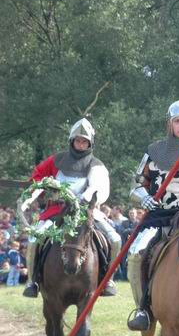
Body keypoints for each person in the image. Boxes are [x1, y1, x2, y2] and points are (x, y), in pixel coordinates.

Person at [18, 118, 121, 298]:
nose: (80, 144)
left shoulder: (96, 165)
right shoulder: (56, 160)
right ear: (72, 141)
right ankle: (32, 282)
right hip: (57, 211)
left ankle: (108, 280)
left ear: (89, 143)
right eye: (78, 140)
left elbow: (100, 187)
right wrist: (29, 197)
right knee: (34, 239)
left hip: (87, 213)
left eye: (84, 141)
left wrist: (88, 197)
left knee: (115, 239)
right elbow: (38, 179)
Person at [126, 100, 179, 331]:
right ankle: (143, 309)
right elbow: (136, 185)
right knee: (137, 252)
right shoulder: (154, 151)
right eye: (177, 121)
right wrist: (144, 198)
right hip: (160, 215)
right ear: (170, 124)